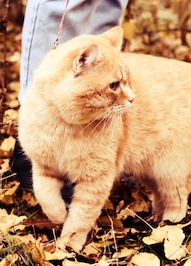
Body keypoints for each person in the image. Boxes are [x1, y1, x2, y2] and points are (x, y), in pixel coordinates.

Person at [11, 0, 129, 202]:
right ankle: (38, 155)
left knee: (111, 3)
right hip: (46, 111)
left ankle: (91, 154)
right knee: (67, 4)